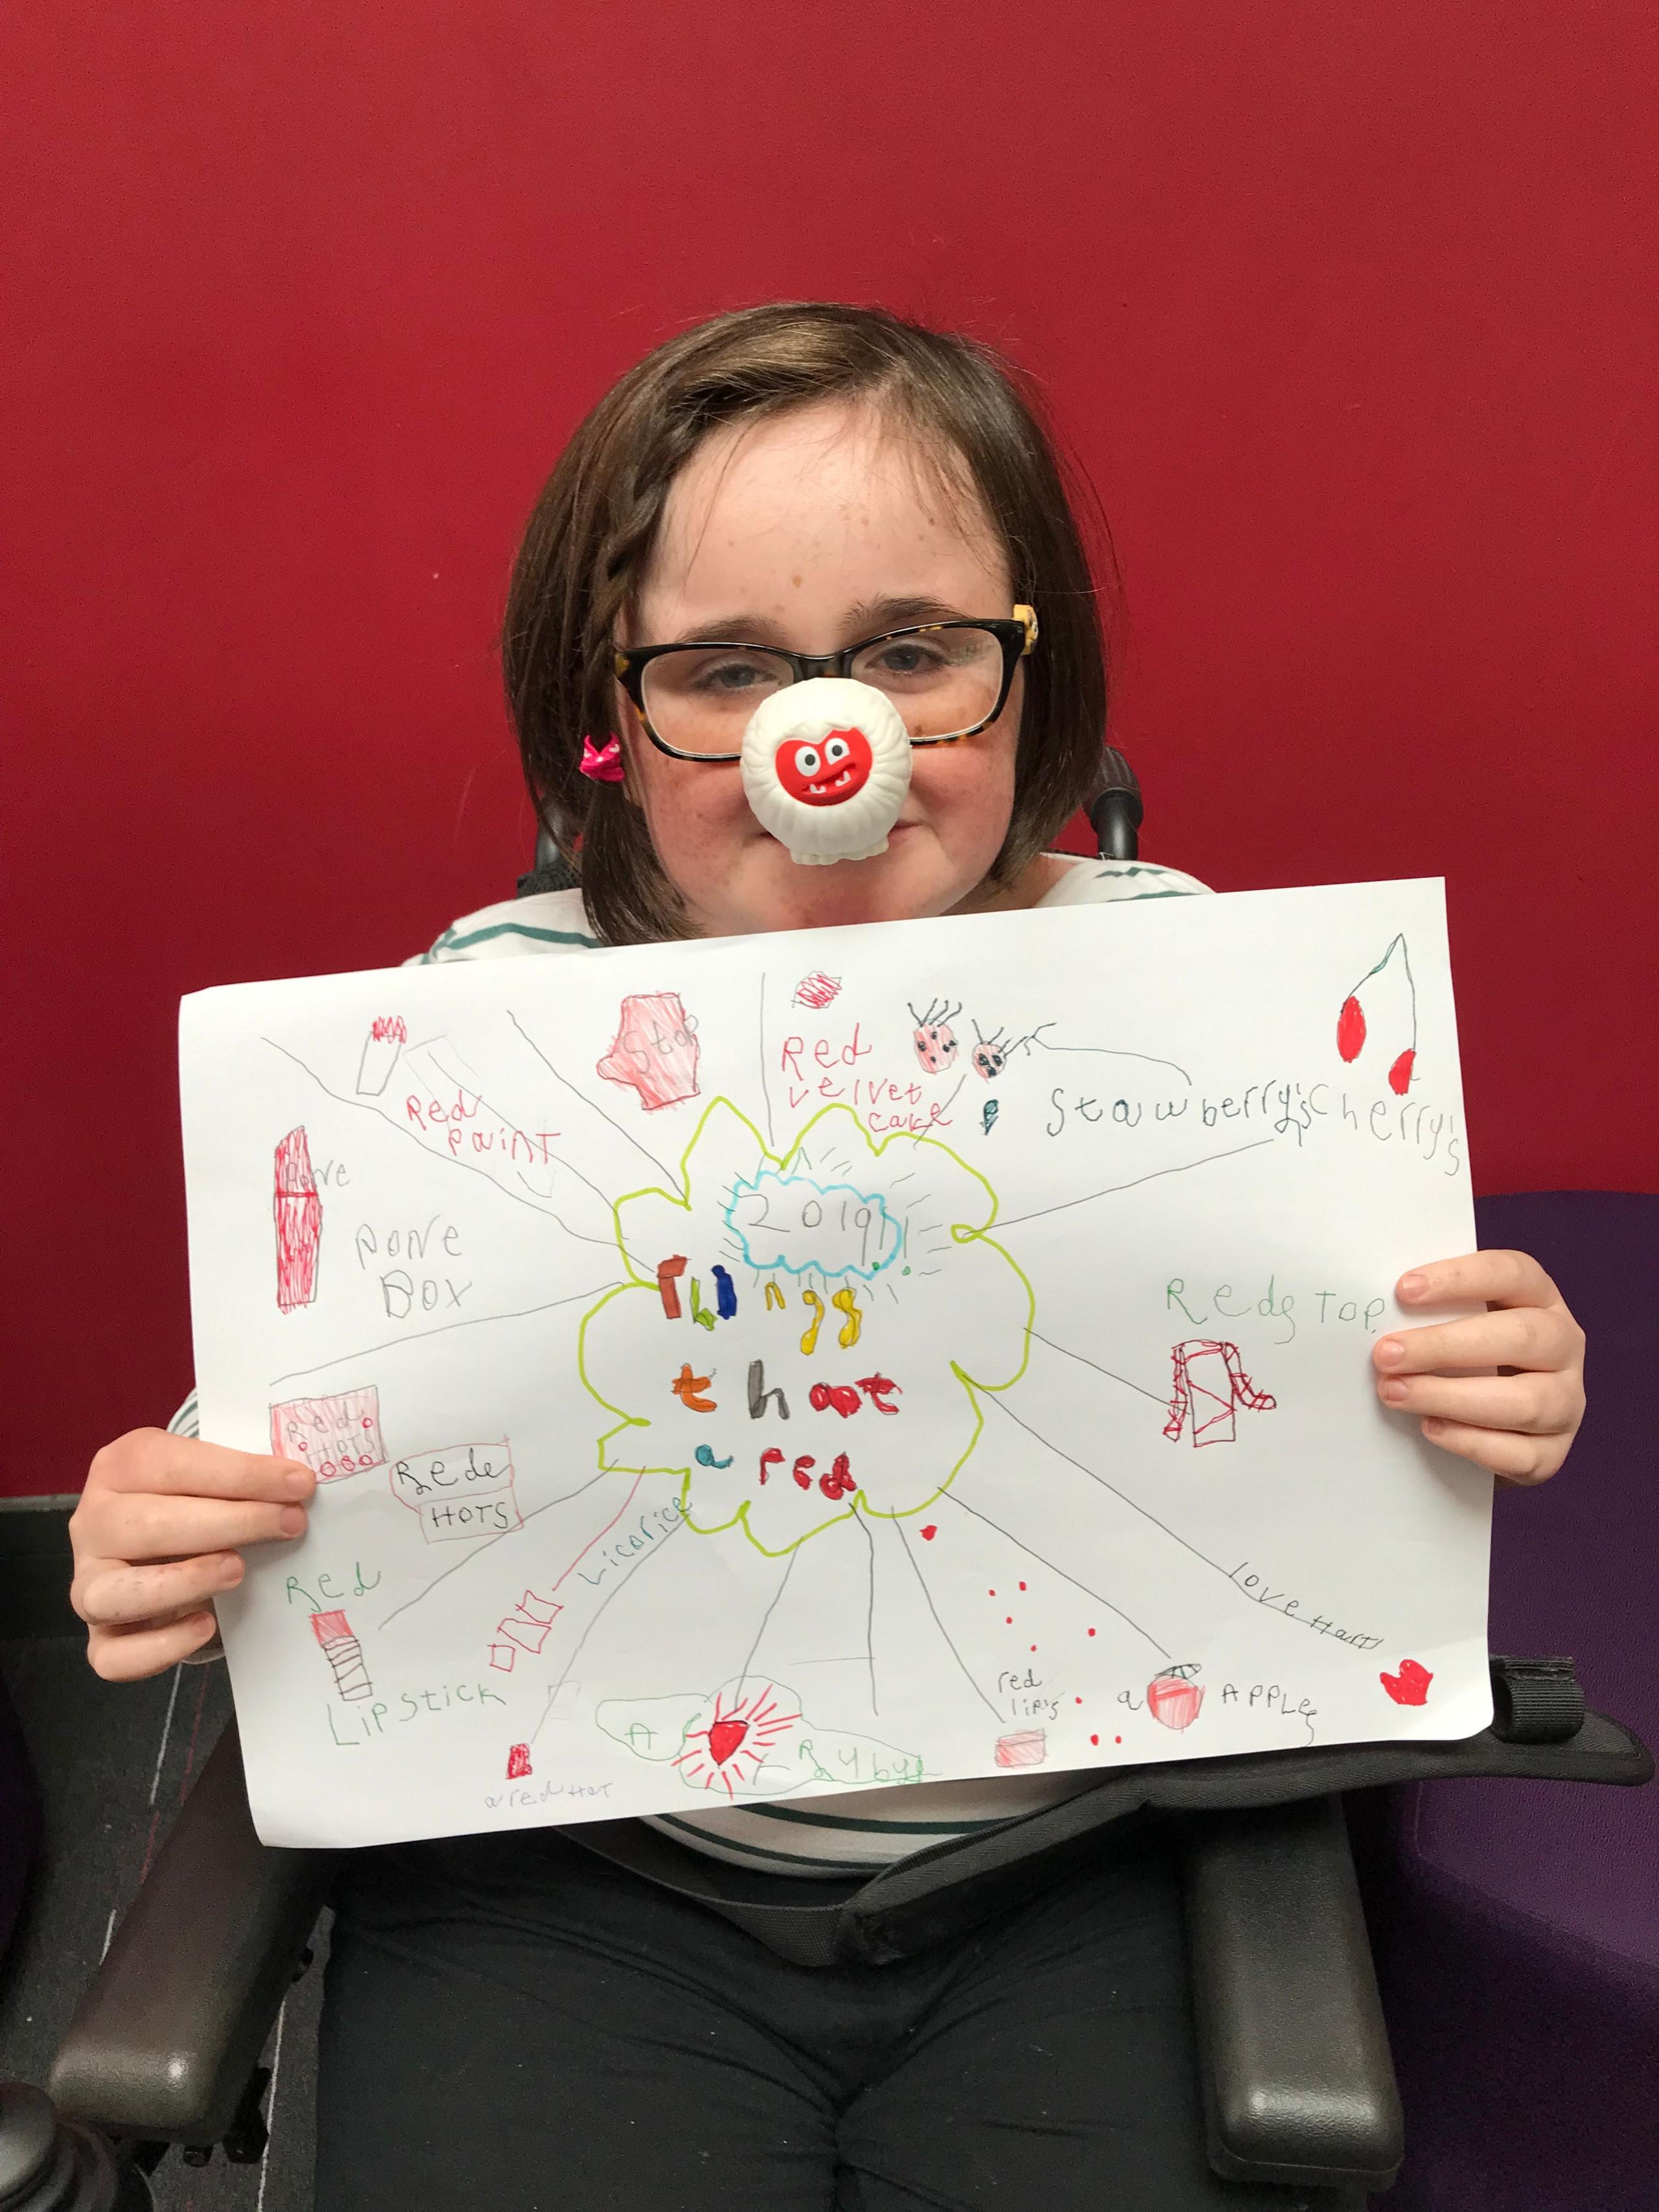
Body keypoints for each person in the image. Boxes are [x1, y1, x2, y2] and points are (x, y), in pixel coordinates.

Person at [68, 303, 1586, 2209]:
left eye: (909, 650)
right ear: (610, 715)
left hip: (1079, 1859)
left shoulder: (1193, 993)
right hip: (585, 1869)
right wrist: (181, 1509)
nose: (829, 745)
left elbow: (1348, 1380)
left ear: (1029, 670)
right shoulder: (483, 1014)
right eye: (727, 669)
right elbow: (323, 1423)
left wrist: (1496, 1377)